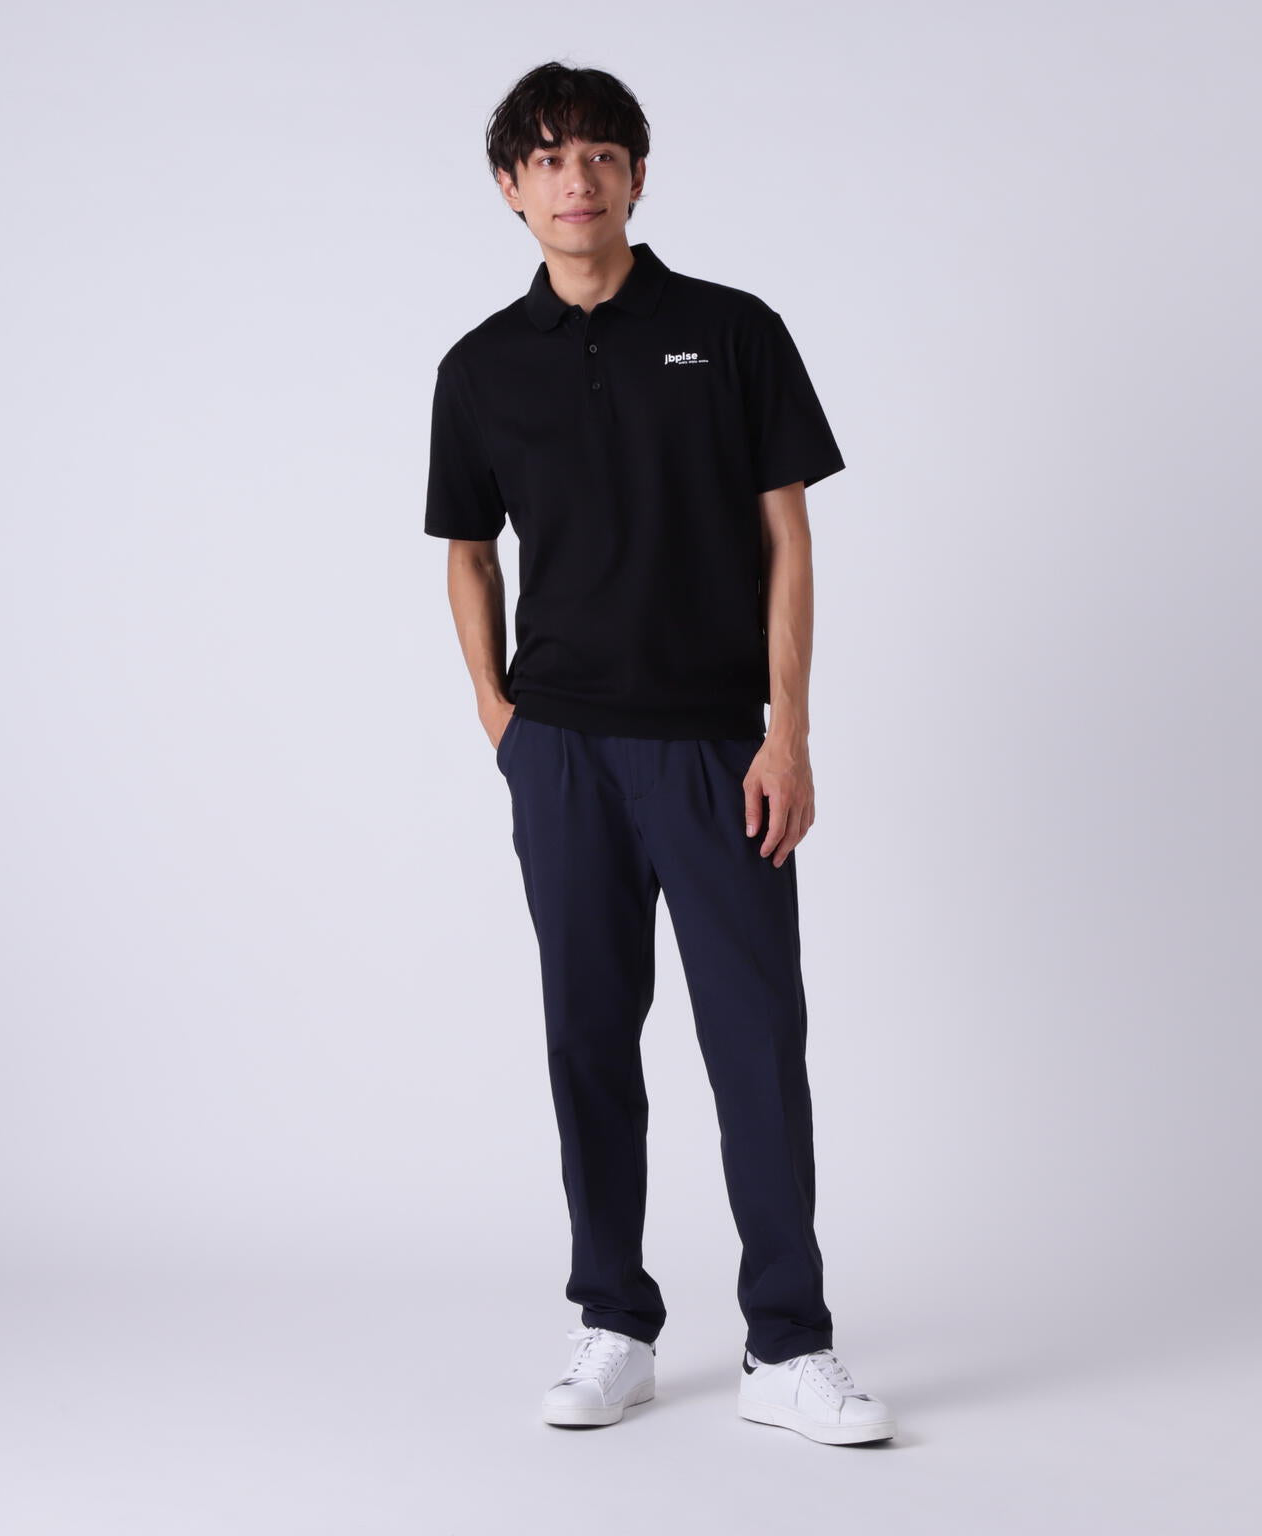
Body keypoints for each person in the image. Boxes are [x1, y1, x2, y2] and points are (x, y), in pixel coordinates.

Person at [423, 60, 895, 1447]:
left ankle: (787, 1345)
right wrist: (503, 722)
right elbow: (467, 553)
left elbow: (787, 538)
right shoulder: (479, 367)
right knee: (588, 1037)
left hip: (713, 749)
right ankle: (615, 1324)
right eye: (548, 158)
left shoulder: (732, 331)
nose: (576, 179)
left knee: (756, 1037)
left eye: (600, 154)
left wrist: (788, 731)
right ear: (510, 188)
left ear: (637, 175)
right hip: (562, 752)